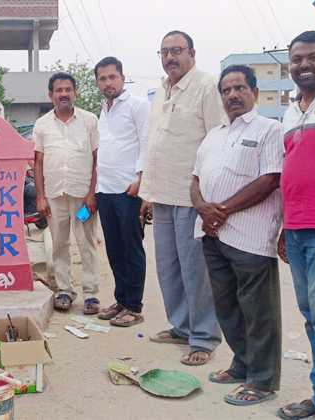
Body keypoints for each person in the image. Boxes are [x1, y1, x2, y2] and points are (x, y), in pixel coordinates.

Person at [191, 65, 283, 405]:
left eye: (239, 88)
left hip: (249, 235)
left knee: (259, 311)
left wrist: (223, 210)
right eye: (226, 90)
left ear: (255, 93)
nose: (232, 94)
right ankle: (242, 364)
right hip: (212, 234)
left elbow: (270, 179)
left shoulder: (269, 129)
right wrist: (202, 207)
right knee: (227, 306)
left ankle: (262, 380)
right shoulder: (214, 134)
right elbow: (196, 178)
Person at [138, 30, 224, 365]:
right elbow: (154, 144)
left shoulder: (207, 86)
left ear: (192, 53)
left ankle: (203, 337)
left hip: (192, 197)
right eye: (164, 52)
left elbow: (218, 142)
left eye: (176, 51)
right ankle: (182, 326)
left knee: (195, 271)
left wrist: (209, 198)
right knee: (168, 268)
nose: (170, 57)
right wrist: (147, 191)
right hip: (161, 194)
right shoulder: (161, 91)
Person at [277, 30, 315, 420]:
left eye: (313, 57)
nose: (304, 65)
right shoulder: (289, 110)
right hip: (297, 228)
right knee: (314, 319)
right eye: (297, 59)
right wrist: (285, 224)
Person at [33, 72, 100, 315]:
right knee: (59, 244)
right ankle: (65, 291)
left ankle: (91, 295)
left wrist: (92, 194)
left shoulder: (89, 121)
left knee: (86, 243)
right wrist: (41, 197)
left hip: (82, 199)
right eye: (59, 90)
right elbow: (38, 162)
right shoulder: (42, 124)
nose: (64, 94)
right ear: (51, 95)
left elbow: (97, 160)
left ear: (75, 93)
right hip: (54, 198)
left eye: (68, 89)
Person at [93, 56, 149, 327]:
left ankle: (134, 307)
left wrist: (142, 181)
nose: (108, 82)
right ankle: (122, 300)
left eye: (112, 77)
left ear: (122, 78)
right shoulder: (104, 110)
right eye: (102, 78)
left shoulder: (138, 106)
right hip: (105, 190)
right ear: (97, 83)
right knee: (114, 250)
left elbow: (147, 144)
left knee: (131, 249)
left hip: (129, 191)